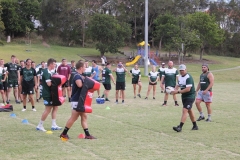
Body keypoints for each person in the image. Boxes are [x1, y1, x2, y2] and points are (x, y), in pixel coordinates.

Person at [60, 60, 96, 140]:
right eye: (84, 67)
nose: (85, 68)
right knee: (74, 118)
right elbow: (80, 85)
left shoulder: (80, 75)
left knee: (83, 116)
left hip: (79, 100)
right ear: (81, 68)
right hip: (77, 100)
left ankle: (87, 135)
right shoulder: (77, 76)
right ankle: (64, 133)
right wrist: (88, 84)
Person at [36, 58, 62, 131]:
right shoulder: (46, 72)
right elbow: (49, 84)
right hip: (47, 93)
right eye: (54, 64)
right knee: (48, 109)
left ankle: (54, 125)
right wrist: (57, 82)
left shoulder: (50, 72)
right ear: (50, 64)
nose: (55, 65)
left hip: (52, 93)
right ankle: (40, 125)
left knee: (55, 107)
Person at [171, 64, 198, 132]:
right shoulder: (180, 77)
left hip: (190, 96)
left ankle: (180, 127)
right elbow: (178, 85)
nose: (181, 72)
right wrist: (174, 90)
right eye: (180, 70)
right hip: (184, 96)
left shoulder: (188, 77)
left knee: (185, 110)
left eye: (182, 70)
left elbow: (188, 89)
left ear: (186, 70)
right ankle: (195, 126)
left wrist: (178, 92)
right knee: (189, 110)